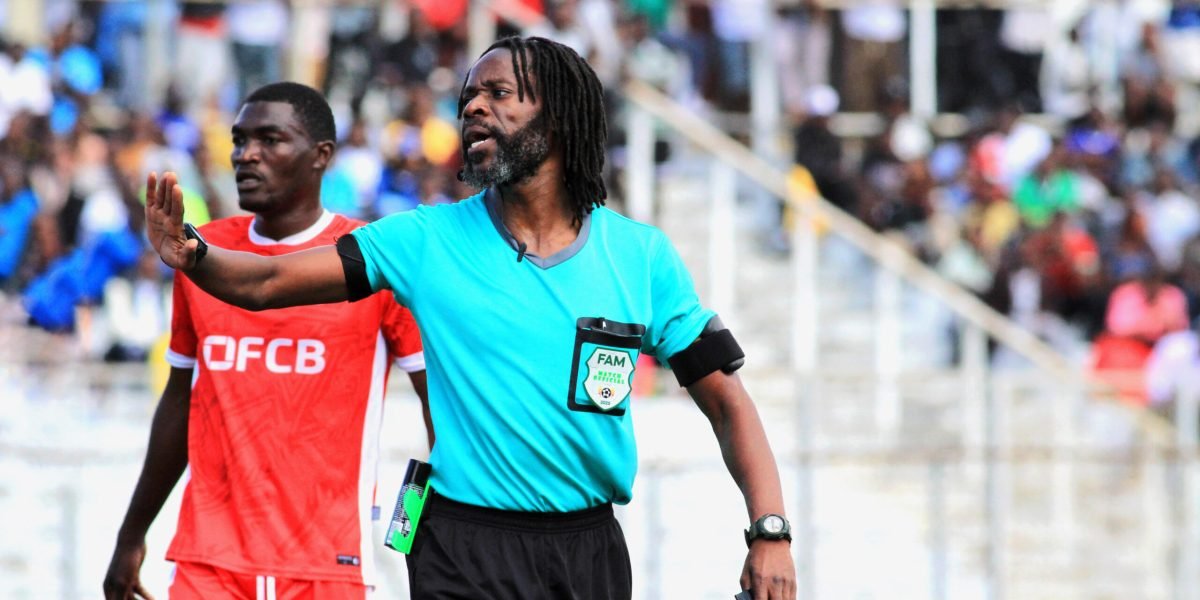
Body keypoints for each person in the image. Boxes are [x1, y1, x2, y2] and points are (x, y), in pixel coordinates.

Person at [143, 38, 796, 600]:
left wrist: (770, 531)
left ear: (560, 118)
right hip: (462, 544)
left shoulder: (641, 256)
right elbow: (268, 280)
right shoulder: (423, 241)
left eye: (500, 93)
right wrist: (193, 253)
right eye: (467, 98)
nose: (474, 107)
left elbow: (727, 402)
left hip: (587, 546)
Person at [104, 82, 429, 600]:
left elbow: (443, 417)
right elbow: (181, 402)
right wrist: (131, 533)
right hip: (208, 563)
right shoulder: (200, 255)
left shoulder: (374, 259)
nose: (246, 154)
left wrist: (422, 531)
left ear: (322, 156)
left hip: (327, 566)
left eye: (270, 139)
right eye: (238, 140)